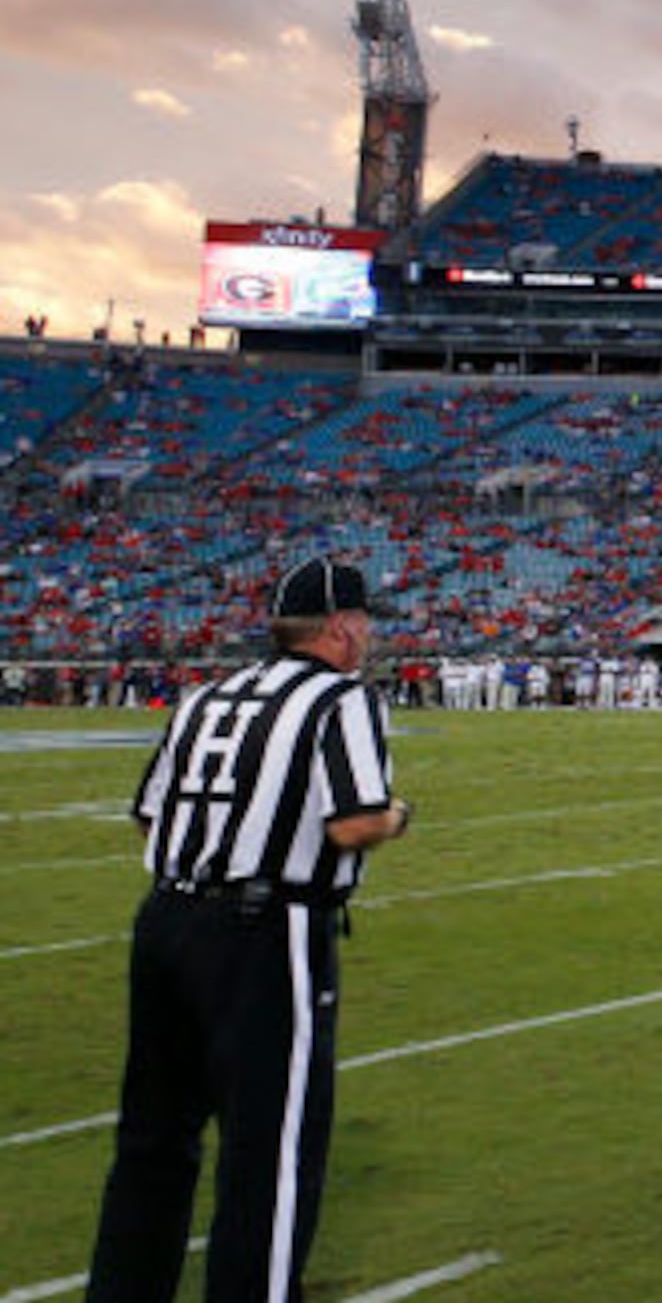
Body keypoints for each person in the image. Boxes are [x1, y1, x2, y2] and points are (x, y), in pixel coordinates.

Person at [89, 556, 413, 1303]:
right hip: (263, 931)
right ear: (339, 627)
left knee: (153, 1143)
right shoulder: (342, 699)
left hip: (166, 919)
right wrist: (402, 817)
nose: (367, 635)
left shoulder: (208, 695)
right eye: (363, 621)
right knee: (271, 1151)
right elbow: (356, 820)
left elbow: (151, 813)